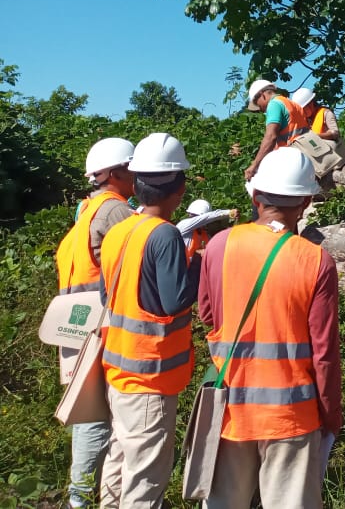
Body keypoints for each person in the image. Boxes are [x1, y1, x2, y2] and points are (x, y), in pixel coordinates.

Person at [198, 147, 343, 508]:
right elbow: (324, 351)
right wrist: (330, 413)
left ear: (256, 195)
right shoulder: (315, 259)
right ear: (306, 201)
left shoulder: (218, 245)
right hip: (292, 415)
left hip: (230, 407)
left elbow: (208, 316)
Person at [98, 133, 199, 509]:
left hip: (118, 368)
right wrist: (199, 262)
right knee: (145, 479)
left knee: (120, 458)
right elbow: (175, 302)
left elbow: (111, 295)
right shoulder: (166, 235)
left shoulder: (119, 231)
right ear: (180, 188)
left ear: (137, 183)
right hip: (151, 377)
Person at [55, 138, 136, 508]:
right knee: (100, 418)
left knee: (86, 412)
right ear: (117, 172)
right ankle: (86, 498)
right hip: (101, 327)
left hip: (73, 323)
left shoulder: (86, 210)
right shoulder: (116, 212)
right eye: (133, 169)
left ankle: (82, 494)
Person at [244, 79, 309, 182]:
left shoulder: (274, 105)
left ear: (262, 94)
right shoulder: (291, 103)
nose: (260, 108)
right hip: (305, 157)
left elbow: (270, 137)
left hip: (290, 159)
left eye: (257, 103)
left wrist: (254, 165)